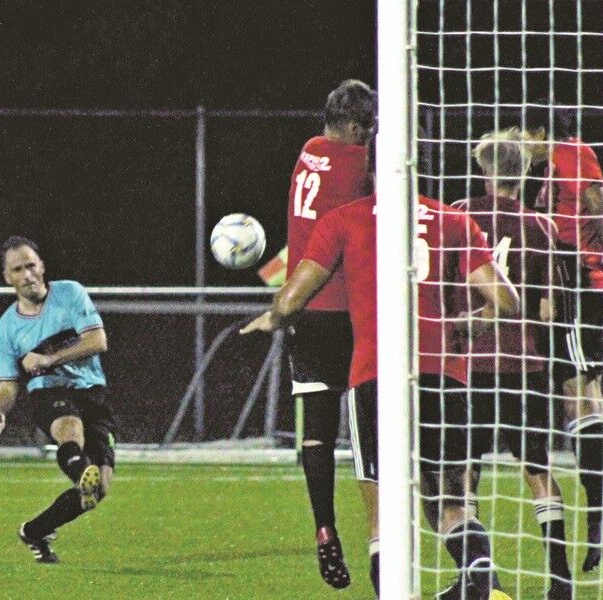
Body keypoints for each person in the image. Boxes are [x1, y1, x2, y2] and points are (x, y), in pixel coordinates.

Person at [241, 154, 520, 599]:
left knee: (382, 520)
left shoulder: (343, 220)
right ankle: (483, 585)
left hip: (375, 377)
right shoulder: (454, 221)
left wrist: (273, 316)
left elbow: (292, 299)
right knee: (451, 504)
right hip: (444, 375)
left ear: (371, 171)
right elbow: (508, 302)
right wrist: (472, 324)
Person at [523, 106, 603, 571]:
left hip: (577, 283)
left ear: (540, 131)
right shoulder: (551, 166)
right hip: (566, 284)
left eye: (528, 135)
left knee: (579, 395)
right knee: (584, 396)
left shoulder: (571, 153)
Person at [451, 130, 572, 599]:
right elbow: (548, 310)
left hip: (467, 368)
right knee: (538, 471)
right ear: (524, 175)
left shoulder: (458, 216)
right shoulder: (539, 226)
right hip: (523, 366)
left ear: (485, 172)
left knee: (463, 476)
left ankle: (482, 582)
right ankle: (560, 584)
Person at [284, 78, 375, 589]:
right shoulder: (356, 165)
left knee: (316, 429)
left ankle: (325, 529)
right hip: (348, 308)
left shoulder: (309, 152)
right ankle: (385, 535)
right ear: (360, 127)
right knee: (372, 425)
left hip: (303, 309)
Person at [0, 236, 116, 564]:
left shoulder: (69, 293)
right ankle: (81, 470)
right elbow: (8, 383)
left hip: (91, 391)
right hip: (48, 393)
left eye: (31, 265)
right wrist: (0, 411)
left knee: (100, 491)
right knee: (69, 427)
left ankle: (35, 531)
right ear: (7, 278)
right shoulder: (7, 327)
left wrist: (47, 357)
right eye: (18, 269)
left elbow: (97, 340)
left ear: (42, 266)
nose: (27, 274)